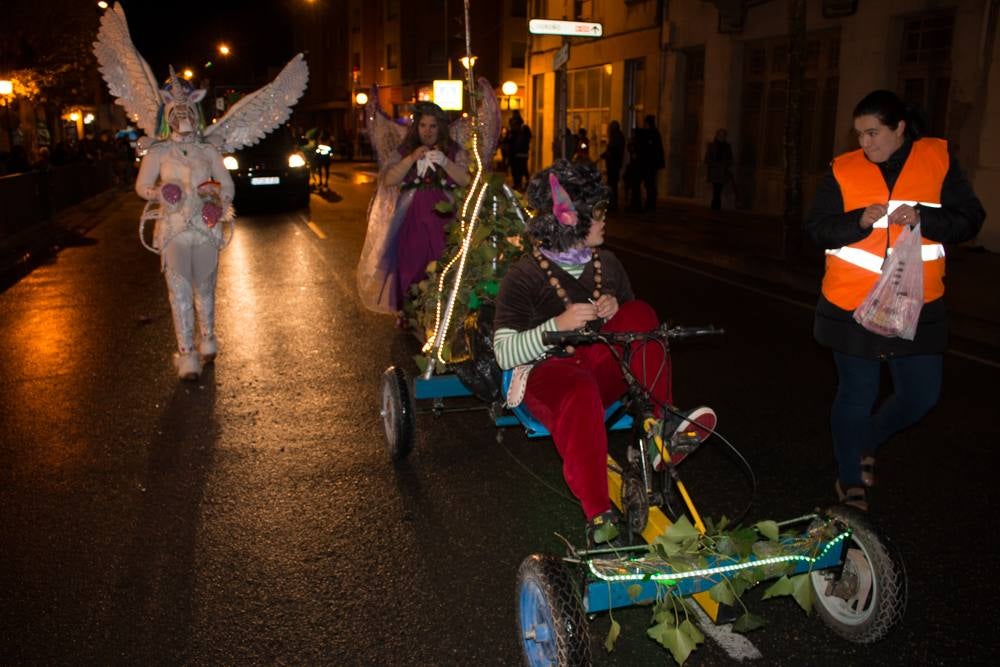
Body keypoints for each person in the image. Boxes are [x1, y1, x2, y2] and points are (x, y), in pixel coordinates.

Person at [493, 160, 717, 544]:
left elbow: (638, 332)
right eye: (596, 213)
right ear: (570, 219)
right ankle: (598, 511)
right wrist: (557, 325)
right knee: (578, 389)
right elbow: (504, 353)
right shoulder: (525, 275)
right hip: (548, 376)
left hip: (599, 364)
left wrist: (615, 308)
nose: (604, 221)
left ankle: (660, 432)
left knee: (640, 312)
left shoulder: (608, 264)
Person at [805, 89, 985, 511]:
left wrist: (926, 217)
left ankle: (865, 440)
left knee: (920, 395)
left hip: (917, 302)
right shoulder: (843, 169)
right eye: (859, 134)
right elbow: (816, 229)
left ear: (900, 128)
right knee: (856, 393)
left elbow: (970, 219)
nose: (864, 144)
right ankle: (849, 477)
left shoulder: (938, 160)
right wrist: (856, 222)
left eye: (873, 133)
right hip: (853, 303)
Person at [134, 73, 235, 381]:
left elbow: (227, 184)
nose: (183, 116)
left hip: (204, 230)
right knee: (178, 294)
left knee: (205, 289)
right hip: (174, 229)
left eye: (188, 111)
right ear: (167, 116)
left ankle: (208, 340)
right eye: (176, 113)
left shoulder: (209, 151)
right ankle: (187, 355)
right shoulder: (158, 152)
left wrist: (217, 204)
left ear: (196, 113)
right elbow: (142, 186)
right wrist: (161, 193)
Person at [378, 102, 470, 320]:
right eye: (423, 126)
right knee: (411, 263)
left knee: (442, 263)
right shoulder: (405, 149)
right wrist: (411, 158)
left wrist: (445, 162)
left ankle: (440, 313)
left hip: (443, 217)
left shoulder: (454, 150)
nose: (427, 131)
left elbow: (467, 180)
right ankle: (410, 312)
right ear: (416, 127)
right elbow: (389, 179)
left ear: (441, 128)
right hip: (411, 217)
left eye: (433, 126)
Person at [636, 114, 665, 211]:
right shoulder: (655, 133)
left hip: (649, 164)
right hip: (651, 164)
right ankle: (650, 204)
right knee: (650, 184)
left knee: (650, 184)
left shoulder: (652, 133)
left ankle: (650, 204)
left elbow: (650, 149)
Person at [705, 128, 734, 211]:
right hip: (714, 171)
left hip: (722, 171)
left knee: (719, 189)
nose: (721, 137)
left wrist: (726, 165)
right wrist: (713, 164)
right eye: (720, 135)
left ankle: (715, 206)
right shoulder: (711, 145)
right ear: (717, 136)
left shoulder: (727, 147)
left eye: (723, 135)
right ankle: (715, 206)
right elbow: (707, 158)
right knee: (715, 189)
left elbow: (730, 159)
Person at [600, 120, 625, 212]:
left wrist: (606, 154)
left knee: (612, 184)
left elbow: (613, 150)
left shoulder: (616, 136)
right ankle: (612, 203)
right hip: (614, 164)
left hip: (613, 164)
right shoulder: (618, 136)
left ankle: (612, 204)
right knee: (612, 184)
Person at [509, 111, 532, 191]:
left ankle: (521, 184)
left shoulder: (523, 130)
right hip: (518, 154)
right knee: (520, 170)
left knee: (521, 170)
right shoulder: (516, 132)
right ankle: (519, 184)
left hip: (520, 154)